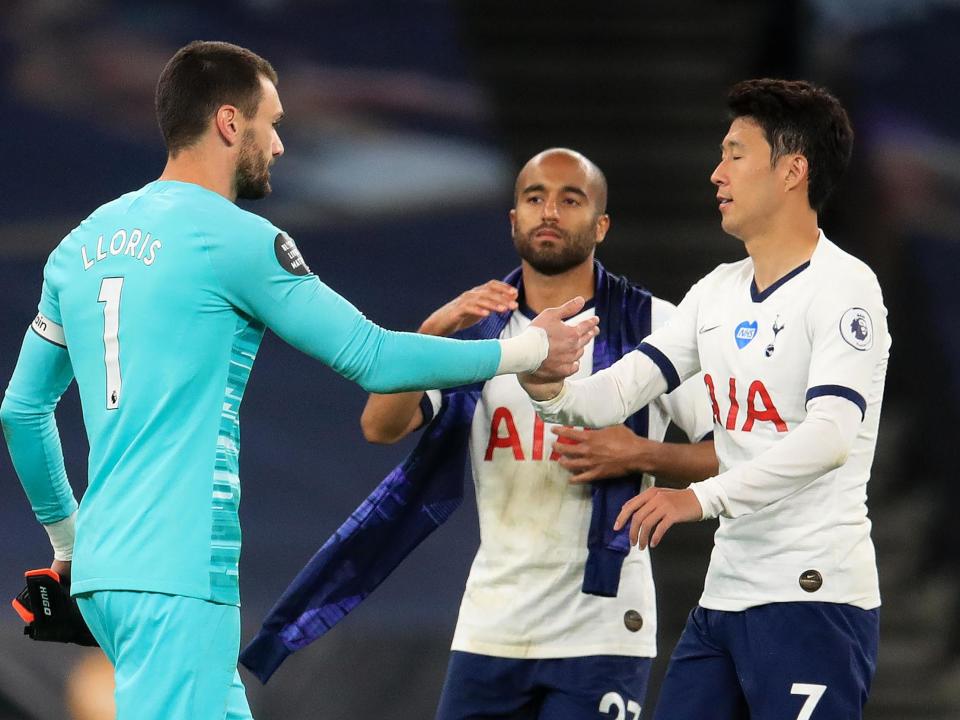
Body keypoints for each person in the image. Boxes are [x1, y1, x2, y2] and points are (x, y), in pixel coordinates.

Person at [0, 41, 596, 720]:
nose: (280, 144)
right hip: (176, 568)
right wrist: (525, 352)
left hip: (109, 575)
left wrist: (70, 542)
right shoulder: (235, 240)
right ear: (229, 123)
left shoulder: (80, 244)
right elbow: (371, 358)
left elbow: (22, 412)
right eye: (271, 122)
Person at [519, 80, 890, 719]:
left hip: (813, 597)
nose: (716, 173)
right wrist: (548, 385)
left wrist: (700, 498)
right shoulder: (716, 291)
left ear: (793, 170)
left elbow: (830, 437)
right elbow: (619, 388)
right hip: (724, 600)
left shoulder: (846, 288)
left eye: (736, 154)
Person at [359, 148, 717, 720]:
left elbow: (733, 452)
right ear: (513, 220)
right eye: (534, 198)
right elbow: (380, 425)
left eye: (570, 199)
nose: (549, 210)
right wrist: (431, 330)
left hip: (601, 626)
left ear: (600, 225)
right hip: (492, 625)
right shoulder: (479, 331)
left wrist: (641, 452)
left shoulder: (656, 323)